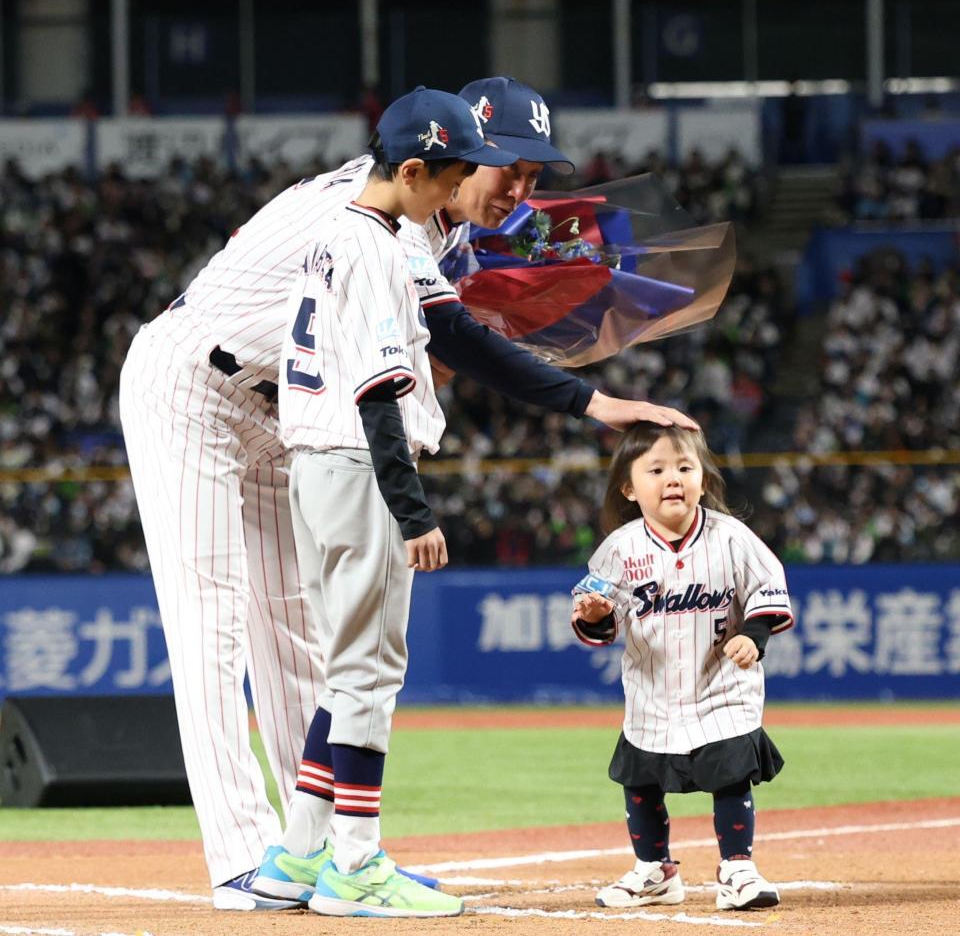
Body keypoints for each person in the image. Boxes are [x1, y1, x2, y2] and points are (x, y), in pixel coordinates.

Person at [119, 75, 696, 912]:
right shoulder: (375, 220)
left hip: (293, 416)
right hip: (194, 387)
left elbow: (444, 330)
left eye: (535, 174)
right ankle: (243, 855)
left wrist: (581, 394)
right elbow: (442, 339)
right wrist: (585, 403)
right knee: (213, 626)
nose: (522, 189)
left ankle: (311, 852)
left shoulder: (424, 223)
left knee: (303, 638)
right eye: (507, 168)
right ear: (453, 155)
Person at [252, 87, 510, 918]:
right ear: (410, 170)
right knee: (368, 673)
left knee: (346, 668)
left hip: (314, 467)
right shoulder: (376, 247)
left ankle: (297, 854)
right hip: (359, 466)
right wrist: (413, 509)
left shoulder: (333, 234)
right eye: (451, 177)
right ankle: (356, 862)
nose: (456, 191)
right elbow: (378, 392)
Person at [570, 421, 793, 912]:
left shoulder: (730, 537)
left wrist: (754, 636)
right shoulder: (619, 549)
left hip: (721, 685)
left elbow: (768, 588)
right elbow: (598, 620)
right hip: (652, 691)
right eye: (656, 470)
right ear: (629, 488)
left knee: (730, 771)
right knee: (640, 780)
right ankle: (655, 870)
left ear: (703, 479)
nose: (673, 478)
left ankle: (738, 867)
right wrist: (596, 615)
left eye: (685, 467)